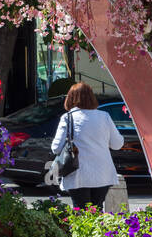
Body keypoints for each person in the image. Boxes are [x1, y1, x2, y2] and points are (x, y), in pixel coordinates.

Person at [51, 82, 124, 211]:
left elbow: (56, 148)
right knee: (97, 209)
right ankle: (99, 231)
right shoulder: (104, 117)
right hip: (103, 173)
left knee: (81, 211)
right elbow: (117, 144)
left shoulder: (68, 118)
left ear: (71, 98)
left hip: (78, 172)